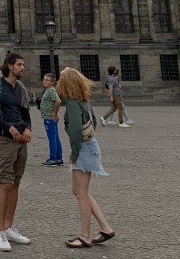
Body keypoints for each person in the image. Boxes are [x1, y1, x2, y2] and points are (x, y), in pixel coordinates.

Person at [0, 53, 33, 252]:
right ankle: (0, 231)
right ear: (10, 66)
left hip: (21, 140)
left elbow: (26, 113)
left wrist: (28, 128)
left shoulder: (21, 87)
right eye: (20, 64)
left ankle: (9, 226)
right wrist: (7, 127)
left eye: (23, 64)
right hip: (4, 139)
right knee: (6, 183)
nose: (23, 67)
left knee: (16, 183)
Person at [58, 67, 115, 249]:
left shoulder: (73, 103)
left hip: (82, 149)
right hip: (90, 146)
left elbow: (75, 131)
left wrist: (74, 153)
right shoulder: (84, 100)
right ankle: (105, 228)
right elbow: (95, 122)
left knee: (81, 193)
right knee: (78, 190)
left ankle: (85, 236)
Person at [40, 73, 63, 166]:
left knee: (52, 138)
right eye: (44, 79)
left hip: (49, 117)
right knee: (56, 137)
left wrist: (54, 114)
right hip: (49, 117)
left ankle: (53, 158)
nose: (44, 81)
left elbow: (58, 101)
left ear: (52, 82)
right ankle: (58, 158)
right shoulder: (49, 90)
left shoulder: (51, 91)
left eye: (47, 80)